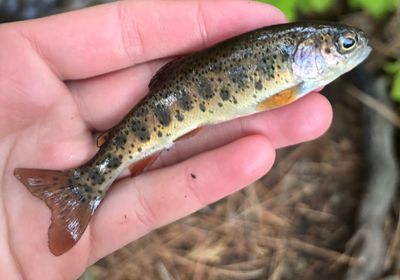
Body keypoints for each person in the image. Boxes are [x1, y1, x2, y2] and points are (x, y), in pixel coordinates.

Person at [0, 0, 332, 278]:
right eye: (345, 45)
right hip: (177, 105)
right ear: (306, 51)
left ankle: (81, 186)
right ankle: (83, 186)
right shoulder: (286, 63)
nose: (352, 49)